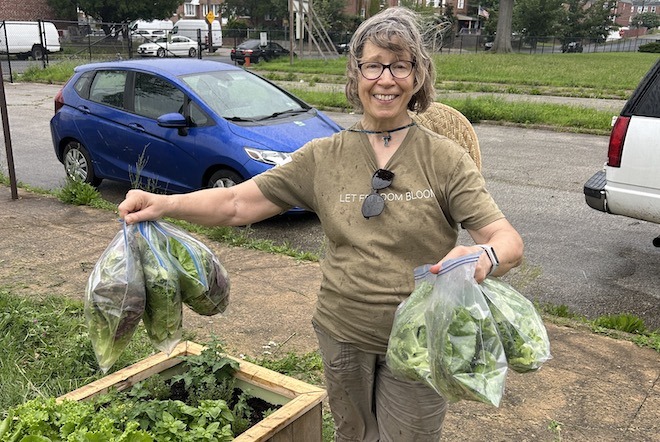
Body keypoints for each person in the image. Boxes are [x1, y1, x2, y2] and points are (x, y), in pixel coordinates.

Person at [118, 6, 524, 441]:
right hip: (342, 330)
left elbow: (507, 241)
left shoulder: (444, 159)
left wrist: (483, 255)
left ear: (418, 75)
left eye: (400, 65)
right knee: (353, 434)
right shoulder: (323, 156)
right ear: (355, 74)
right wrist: (162, 204)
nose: (385, 79)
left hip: (421, 337)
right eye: (373, 65)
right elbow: (237, 203)